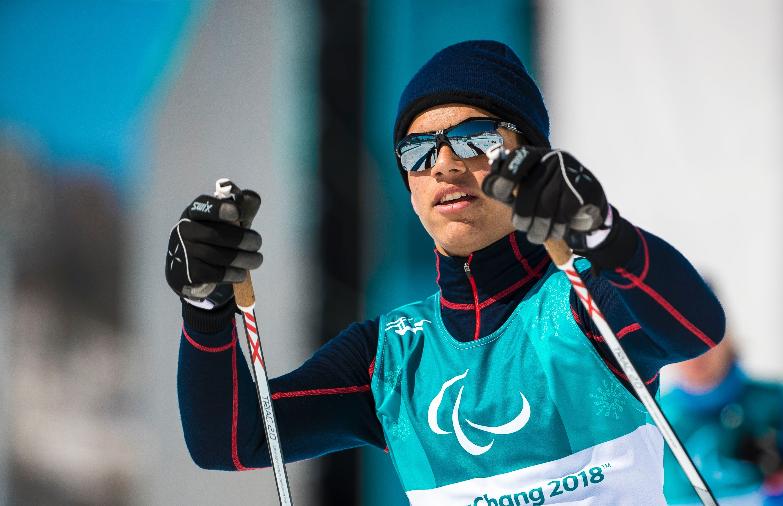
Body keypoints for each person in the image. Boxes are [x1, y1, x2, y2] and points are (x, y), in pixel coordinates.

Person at [166, 40, 725, 504]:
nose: (447, 165)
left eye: (474, 138)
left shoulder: (582, 301)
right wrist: (206, 307)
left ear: (528, 158)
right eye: (418, 152)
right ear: (408, 186)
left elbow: (696, 328)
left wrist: (606, 234)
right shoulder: (389, 358)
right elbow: (228, 440)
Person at [662, 337, 783, 505]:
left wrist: (778, 492)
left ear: (726, 339)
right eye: (682, 339)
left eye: (704, 339)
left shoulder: (773, 401)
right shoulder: (657, 417)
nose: (695, 354)